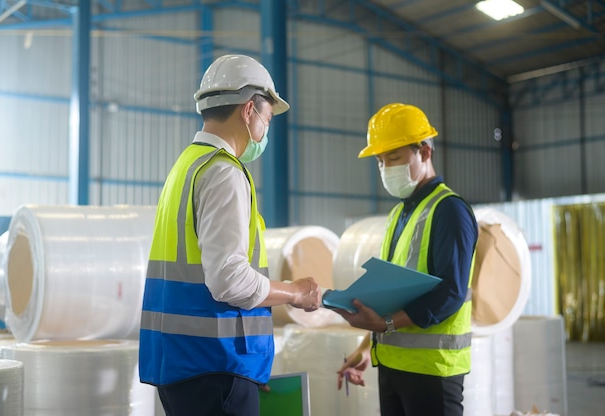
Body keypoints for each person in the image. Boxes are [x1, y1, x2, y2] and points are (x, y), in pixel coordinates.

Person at [139, 54, 322, 416]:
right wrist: (295, 292)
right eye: (267, 119)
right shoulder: (224, 172)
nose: (265, 132)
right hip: (214, 366)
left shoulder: (187, 165)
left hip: (183, 365)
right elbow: (229, 280)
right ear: (249, 110)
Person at [335, 103, 478, 416]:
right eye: (380, 161)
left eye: (394, 157)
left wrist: (384, 323)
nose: (386, 168)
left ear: (424, 152)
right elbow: (392, 291)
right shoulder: (399, 213)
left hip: (432, 371)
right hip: (393, 365)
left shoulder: (449, 210)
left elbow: (450, 294)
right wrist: (365, 347)